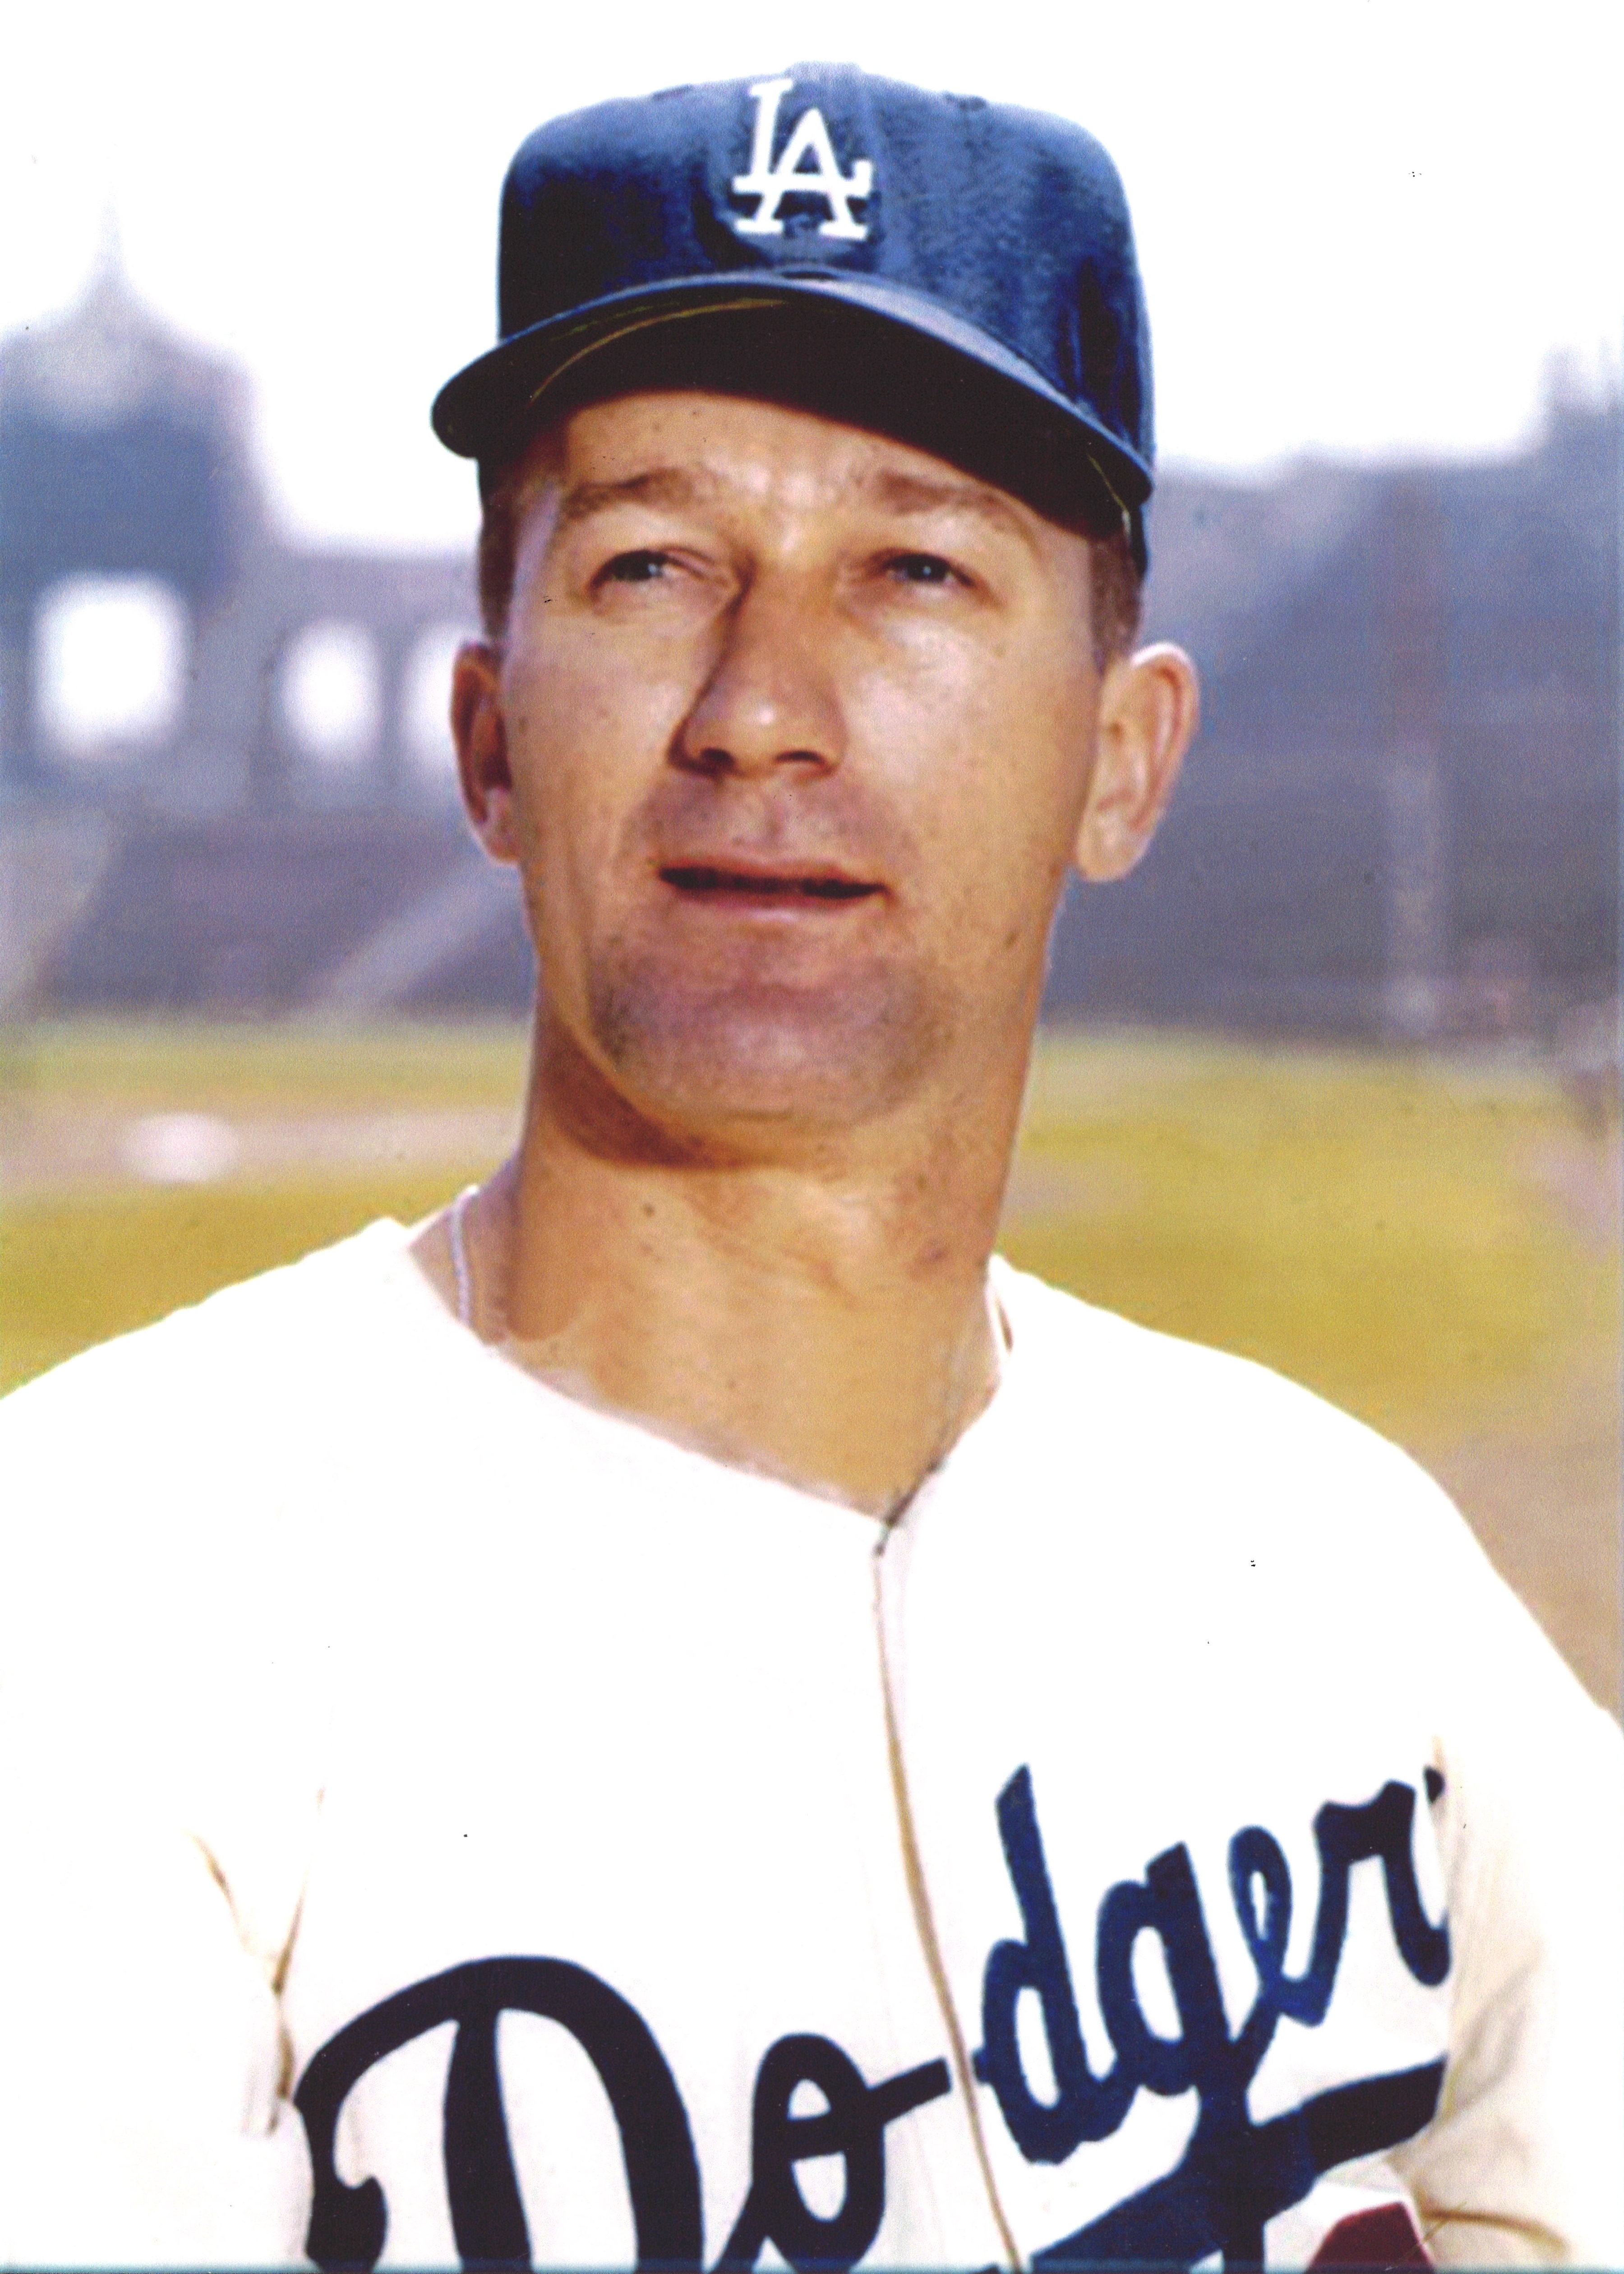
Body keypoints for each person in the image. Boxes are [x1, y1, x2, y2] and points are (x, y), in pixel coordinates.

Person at [0, 63, 1619, 2273]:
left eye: (916, 567)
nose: (763, 703)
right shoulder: (91, 1615)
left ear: (1122, 759)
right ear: (489, 737)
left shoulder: (1350, 1575)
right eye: (655, 559)